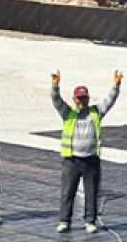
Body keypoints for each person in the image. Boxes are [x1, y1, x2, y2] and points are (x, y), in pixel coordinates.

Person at [51, 69, 121, 233]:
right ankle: (64, 221)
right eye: (79, 98)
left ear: (88, 98)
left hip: (91, 160)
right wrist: (55, 86)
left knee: (91, 192)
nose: (82, 101)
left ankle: (90, 221)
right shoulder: (68, 113)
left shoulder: (96, 112)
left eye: (84, 98)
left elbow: (110, 100)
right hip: (71, 160)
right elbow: (56, 100)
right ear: (74, 100)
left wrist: (116, 86)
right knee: (67, 192)